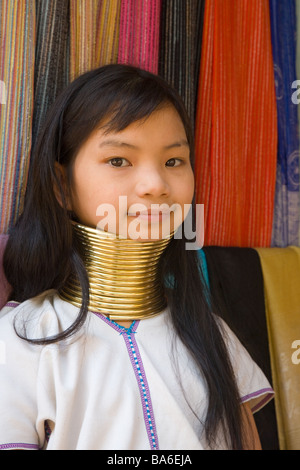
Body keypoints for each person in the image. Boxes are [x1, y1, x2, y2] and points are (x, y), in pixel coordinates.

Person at [0, 64, 273, 450]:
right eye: (119, 161)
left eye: (174, 161)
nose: (155, 185)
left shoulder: (211, 335)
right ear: (62, 185)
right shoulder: (19, 342)